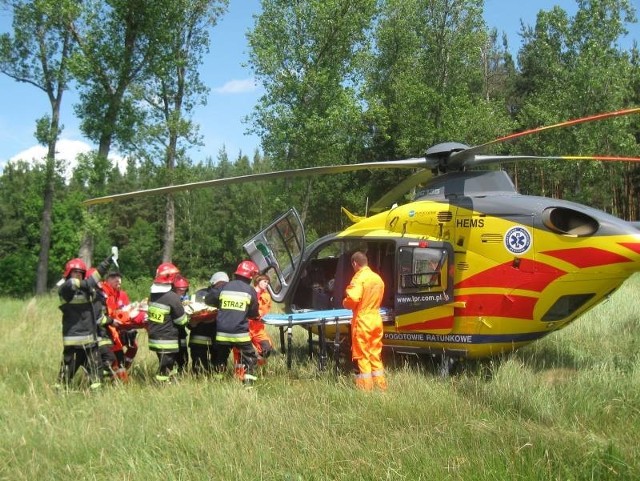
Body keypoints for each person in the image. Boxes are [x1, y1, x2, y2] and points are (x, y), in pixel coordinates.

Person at [56, 254, 114, 390]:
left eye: (81, 273)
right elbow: (87, 282)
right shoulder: (65, 288)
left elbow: (93, 279)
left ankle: (97, 395)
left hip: (89, 338)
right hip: (74, 339)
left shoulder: (85, 290)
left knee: (96, 370)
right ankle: (59, 392)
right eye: (75, 272)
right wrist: (88, 284)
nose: (78, 275)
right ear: (69, 273)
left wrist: (107, 261)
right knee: (67, 369)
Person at [205, 260, 260, 387]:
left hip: (221, 333)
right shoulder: (250, 290)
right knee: (249, 356)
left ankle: (218, 382)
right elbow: (253, 313)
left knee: (221, 357)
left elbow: (209, 299)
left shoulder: (224, 287)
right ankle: (248, 385)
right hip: (240, 332)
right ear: (250, 276)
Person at [343, 251, 387, 391]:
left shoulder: (359, 278)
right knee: (375, 354)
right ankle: (381, 388)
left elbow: (353, 299)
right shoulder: (378, 278)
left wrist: (345, 302)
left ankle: (366, 391)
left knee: (362, 356)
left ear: (355, 263)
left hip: (363, 322)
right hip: (376, 319)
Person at [146, 262, 189, 383]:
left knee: (168, 364)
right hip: (167, 340)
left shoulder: (153, 296)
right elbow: (181, 321)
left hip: (155, 338)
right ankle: (161, 385)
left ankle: (171, 382)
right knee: (166, 367)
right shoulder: (172, 297)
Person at [189, 271, 229, 376]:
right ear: (213, 283)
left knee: (219, 363)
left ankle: (218, 381)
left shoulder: (229, 295)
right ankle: (201, 380)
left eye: (224, 284)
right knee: (199, 365)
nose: (221, 286)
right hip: (200, 334)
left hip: (217, 336)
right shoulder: (198, 295)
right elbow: (190, 313)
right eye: (219, 284)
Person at [101, 271, 140, 372]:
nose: (118, 280)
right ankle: (116, 371)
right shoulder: (104, 294)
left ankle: (124, 368)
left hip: (121, 328)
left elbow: (127, 311)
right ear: (107, 280)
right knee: (115, 353)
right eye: (114, 277)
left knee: (133, 346)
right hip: (109, 329)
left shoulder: (122, 294)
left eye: (119, 278)